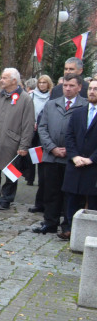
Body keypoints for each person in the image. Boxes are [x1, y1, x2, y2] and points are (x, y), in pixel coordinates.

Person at [35, 74, 84, 235]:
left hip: (72, 158)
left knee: (68, 193)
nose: (68, 88)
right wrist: (52, 147)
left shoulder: (84, 106)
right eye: (65, 85)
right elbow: (42, 128)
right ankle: (50, 222)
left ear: (79, 87)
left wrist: (70, 151)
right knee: (50, 191)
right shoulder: (51, 104)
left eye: (71, 85)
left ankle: (67, 225)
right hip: (51, 155)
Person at [0, 68, 35, 209]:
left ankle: (6, 198)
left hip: (12, 142)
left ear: (14, 81)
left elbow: (28, 124)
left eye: (4, 78)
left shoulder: (26, 99)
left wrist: (24, 146)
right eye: (1, 77)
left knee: (11, 171)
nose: (1, 80)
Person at [63, 78, 97, 239]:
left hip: (93, 165)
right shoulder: (78, 113)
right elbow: (69, 136)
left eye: (95, 89)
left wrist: (92, 159)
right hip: (75, 163)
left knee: (92, 199)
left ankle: (89, 233)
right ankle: (69, 228)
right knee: (71, 196)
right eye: (90, 88)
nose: (92, 92)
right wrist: (74, 156)